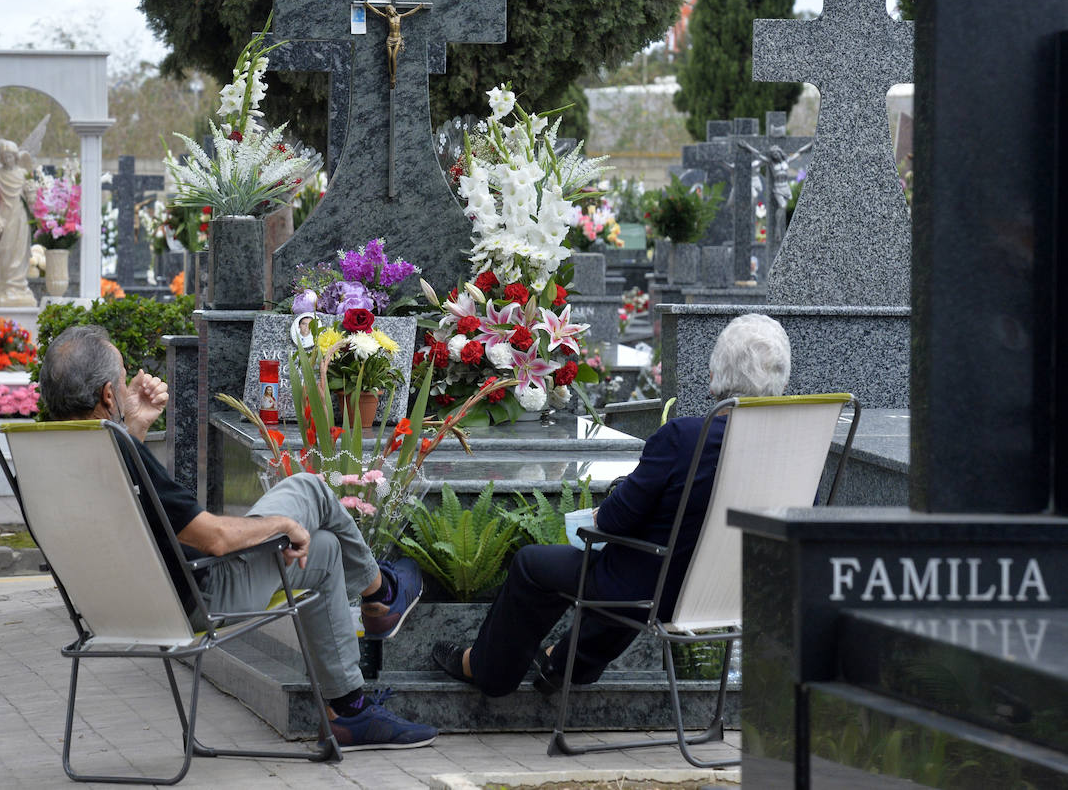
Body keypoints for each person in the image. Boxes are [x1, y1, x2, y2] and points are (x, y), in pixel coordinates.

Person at [39, 324, 437, 751]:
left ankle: (349, 710)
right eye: (121, 378)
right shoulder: (121, 451)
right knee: (311, 489)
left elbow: (120, 500)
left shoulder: (58, 458)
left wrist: (132, 425)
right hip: (200, 594)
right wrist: (281, 526)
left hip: (118, 609)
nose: (126, 383)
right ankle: (383, 591)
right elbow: (214, 539)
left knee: (322, 552)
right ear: (106, 395)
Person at [431, 313, 792, 696]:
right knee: (637, 566)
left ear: (716, 372)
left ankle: (487, 670)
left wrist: (610, 507)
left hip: (656, 593)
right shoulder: (796, 446)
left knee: (537, 565)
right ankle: (565, 663)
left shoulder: (685, 437)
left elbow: (616, 521)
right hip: (742, 590)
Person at [0, 139, 38, 307]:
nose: (8, 159)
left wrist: (32, 197)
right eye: (5, 156)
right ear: (1, 158)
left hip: (21, 217)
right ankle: (5, 287)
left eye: (11, 156)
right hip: (4, 216)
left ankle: (19, 287)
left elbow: (30, 198)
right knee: (5, 252)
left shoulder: (23, 173)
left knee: (20, 252)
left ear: (16, 157)